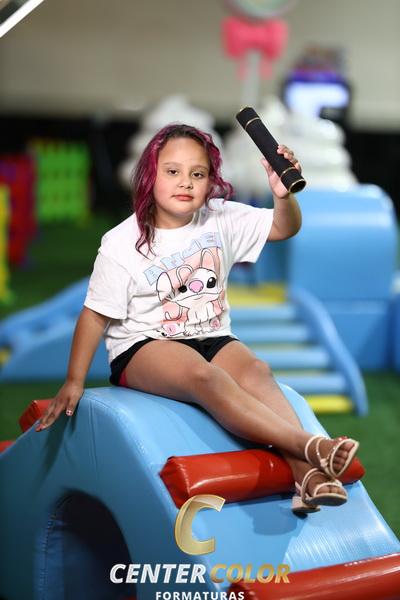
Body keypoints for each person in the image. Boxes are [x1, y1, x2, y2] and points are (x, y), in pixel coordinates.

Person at [36, 123, 359, 513]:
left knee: (257, 370)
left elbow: (283, 227)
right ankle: (309, 447)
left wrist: (283, 196)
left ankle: (306, 476)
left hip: (212, 336)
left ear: (211, 182)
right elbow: (93, 316)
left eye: (198, 173)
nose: (185, 182)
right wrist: (74, 380)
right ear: (150, 175)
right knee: (205, 377)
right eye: (172, 171)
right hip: (145, 345)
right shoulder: (122, 242)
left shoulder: (219, 217)